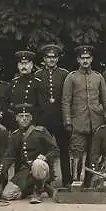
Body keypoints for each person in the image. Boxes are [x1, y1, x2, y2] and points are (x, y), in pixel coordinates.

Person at [61, 45, 106, 186]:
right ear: (78, 60)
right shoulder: (72, 77)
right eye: (83, 58)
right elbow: (66, 101)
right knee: (77, 152)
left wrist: (104, 116)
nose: (85, 61)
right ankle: (75, 181)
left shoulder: (98, 77)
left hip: (96, 120)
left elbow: (105, 100)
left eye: (88, 58)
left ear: (92, 59)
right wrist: (68, 121)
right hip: (78, 121)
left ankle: (91, 182)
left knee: (94, 153)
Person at [0, 103, 60, 204]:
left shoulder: (40, 131)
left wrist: (45, 157)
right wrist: (0, 170)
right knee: (7, 195)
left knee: (38, 164)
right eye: (21, 116)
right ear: (16, 118)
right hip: (25, 172)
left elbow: (55, 150)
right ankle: (39, 188)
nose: (24, 119)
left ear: (31, 118)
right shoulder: (15, 135)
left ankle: (38, 192)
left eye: (27, 116)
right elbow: (9, 156)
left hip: (42, 168)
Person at [34, 43, 71, 187]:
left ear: (57, 59)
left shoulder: (64, 74)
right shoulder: (37, 76)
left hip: (60, 118)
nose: (51, 60)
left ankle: (67, 180)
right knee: (44, 150)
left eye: (54, 57)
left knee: (64, 150)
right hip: (43, 119)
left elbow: (67, 97)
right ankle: (46, 182)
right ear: (44, 59)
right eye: (48, 57)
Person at [7, 50, 44, 126]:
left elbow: (41, 107)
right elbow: (8, 104)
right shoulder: (13, 83)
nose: (23, 66)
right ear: (17, 65)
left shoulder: (37, 83)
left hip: (33, 123)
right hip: (15, 123)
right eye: (21, 64)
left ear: (31, 65)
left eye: (26, 63)